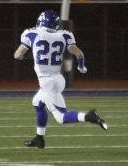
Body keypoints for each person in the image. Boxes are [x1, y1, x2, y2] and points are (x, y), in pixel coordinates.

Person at [14, 10, 108, 149]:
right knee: (37, 102)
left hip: (47, 82)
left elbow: (17, 55)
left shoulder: (31, 34)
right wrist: (81, 67)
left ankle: (89, 116)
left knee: (61, 117)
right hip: (58, 78)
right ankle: (39, 139)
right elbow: (79, 53)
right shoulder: (64, 35)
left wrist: (30, 55)